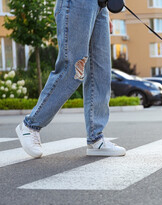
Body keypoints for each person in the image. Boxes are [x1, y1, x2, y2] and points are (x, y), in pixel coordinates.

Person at [15, 0, 125, 158]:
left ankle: (96, 139)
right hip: (78, 4)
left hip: (100, 6)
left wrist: (102, 11)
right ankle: (30, 125)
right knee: (72, 70)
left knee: (100, 74)